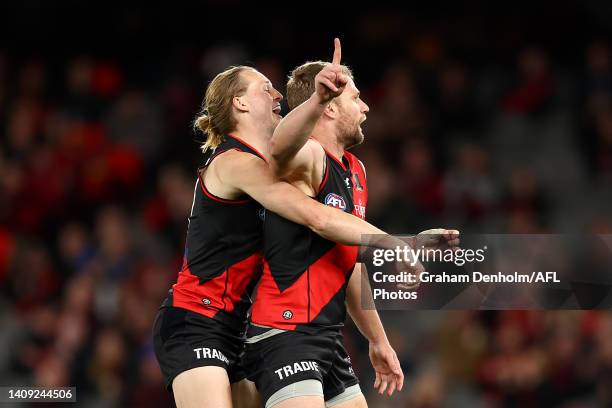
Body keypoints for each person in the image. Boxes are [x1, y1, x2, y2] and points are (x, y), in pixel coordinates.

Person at [153, 60, 457, 408]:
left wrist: (378, 337)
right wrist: (398, 244)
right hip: (198, 319)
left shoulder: (326, 169)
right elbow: (316, 216)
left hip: (242, 324)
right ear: (240, 103)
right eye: (265, 88)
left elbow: (341, 248)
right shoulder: (235, 163)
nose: (277, 93)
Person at [244, 39, 459, 408]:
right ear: (328, 108)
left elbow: (349, 261)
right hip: (284, 330)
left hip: (327, 339)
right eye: (355, 98)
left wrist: (378, 339)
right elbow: (278, 150)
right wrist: (317, 97)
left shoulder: (355, 171)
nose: (366, 106)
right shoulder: (309, 157)